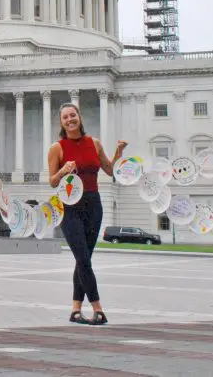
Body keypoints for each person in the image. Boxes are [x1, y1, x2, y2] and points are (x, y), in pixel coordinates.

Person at [47, 103, 126, 326]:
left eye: (73, 115)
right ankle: (98, 308)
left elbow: (110, 170)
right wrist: (63, 171)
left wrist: (119, 152)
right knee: (82, 258)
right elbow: (52, 182)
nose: (70, 119)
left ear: (79, 117)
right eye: (65, 117)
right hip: (70, 206)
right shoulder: (57, 147)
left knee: (84, 260)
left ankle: (75, 310)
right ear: (61, 122)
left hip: (93, 203)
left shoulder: (94, 143)